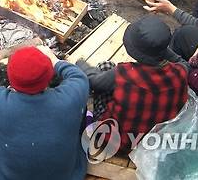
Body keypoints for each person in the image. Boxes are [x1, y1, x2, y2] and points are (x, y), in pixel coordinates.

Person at [0, 46, 89, 180]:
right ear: (49, 74)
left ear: (11, 78)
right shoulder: (70, 97)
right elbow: (79, 76)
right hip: (68, 175)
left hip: (8, 176)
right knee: (81, 107)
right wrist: (53, 59)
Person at [77, 15, 189, 152]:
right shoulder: (180, 73)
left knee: (105, 67)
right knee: (113, 81)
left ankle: (90, 124)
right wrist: (159, 49)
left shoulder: (124, 74)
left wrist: (81, 64)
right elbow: (183, 63)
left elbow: (94, 82)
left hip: (114, 143)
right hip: (149, 144)